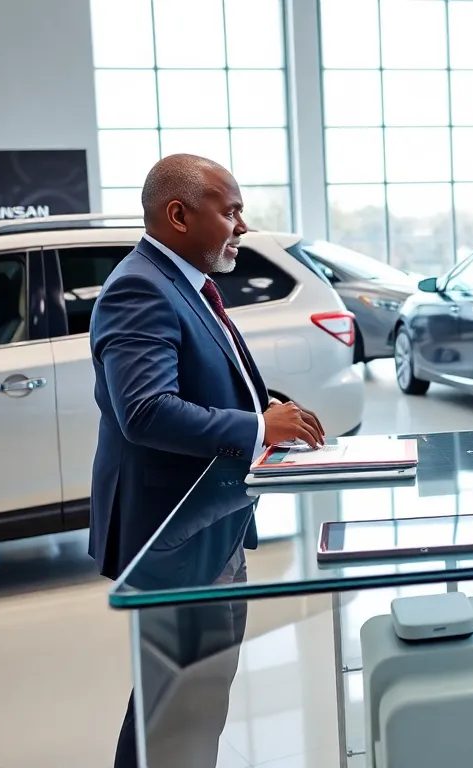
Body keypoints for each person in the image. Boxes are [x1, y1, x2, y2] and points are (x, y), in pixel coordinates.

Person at [90, 154, 326, 768]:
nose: (242, 226)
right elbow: (144, 410)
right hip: (175, 533)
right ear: (178, 215)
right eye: (230, 212)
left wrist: (264, 404)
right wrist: (255, 426)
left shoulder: (179, 281)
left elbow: (196, 377)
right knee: (180, 698)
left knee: (190, 692)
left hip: (209, 524)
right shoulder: (140, 286)